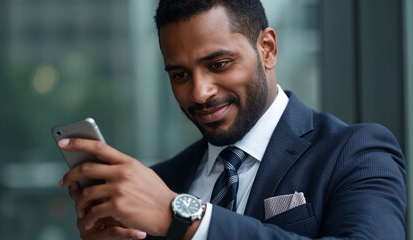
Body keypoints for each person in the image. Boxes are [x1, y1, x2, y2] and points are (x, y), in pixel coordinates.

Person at [58, 0, 407, 239]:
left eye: (218, 64)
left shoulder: (357, 151)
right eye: (179, 75)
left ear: (267, 49)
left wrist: (185, 217)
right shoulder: (161, 181)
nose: (199, 93)